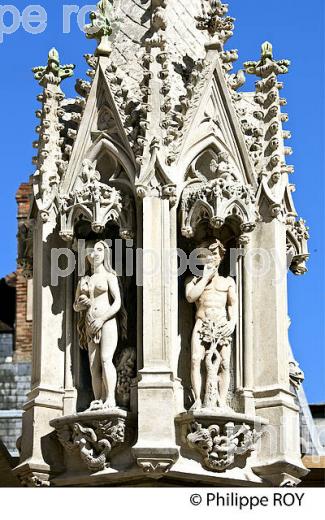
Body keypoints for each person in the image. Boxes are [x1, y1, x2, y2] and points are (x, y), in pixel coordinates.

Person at [185, 240, 237, 411]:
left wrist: (232, 322)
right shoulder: (192, 280)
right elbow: (191, 297)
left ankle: (221, 401)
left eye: (214, 254)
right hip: (202, 323)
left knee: (224, 363)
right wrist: (205, 277)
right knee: (195, 360)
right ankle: (198, 399)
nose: (211, 258)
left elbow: (232, 305)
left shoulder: (228, 281)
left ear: (221, 257)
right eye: (207, 255)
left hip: (221, 324)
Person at [74, 240, 126, 410]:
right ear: (86, 256)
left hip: (107, 321)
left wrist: (102, 319)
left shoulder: (109, 276)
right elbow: (75, 305)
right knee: (93, 364)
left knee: (105, 359)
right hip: (89, 323)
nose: (94, 254)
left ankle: (110, 397)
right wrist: (81, 305)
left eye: (99, 250)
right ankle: (98, 399)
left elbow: (117, 302)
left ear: (105, 253)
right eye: (90, 251)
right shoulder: (84, 280)